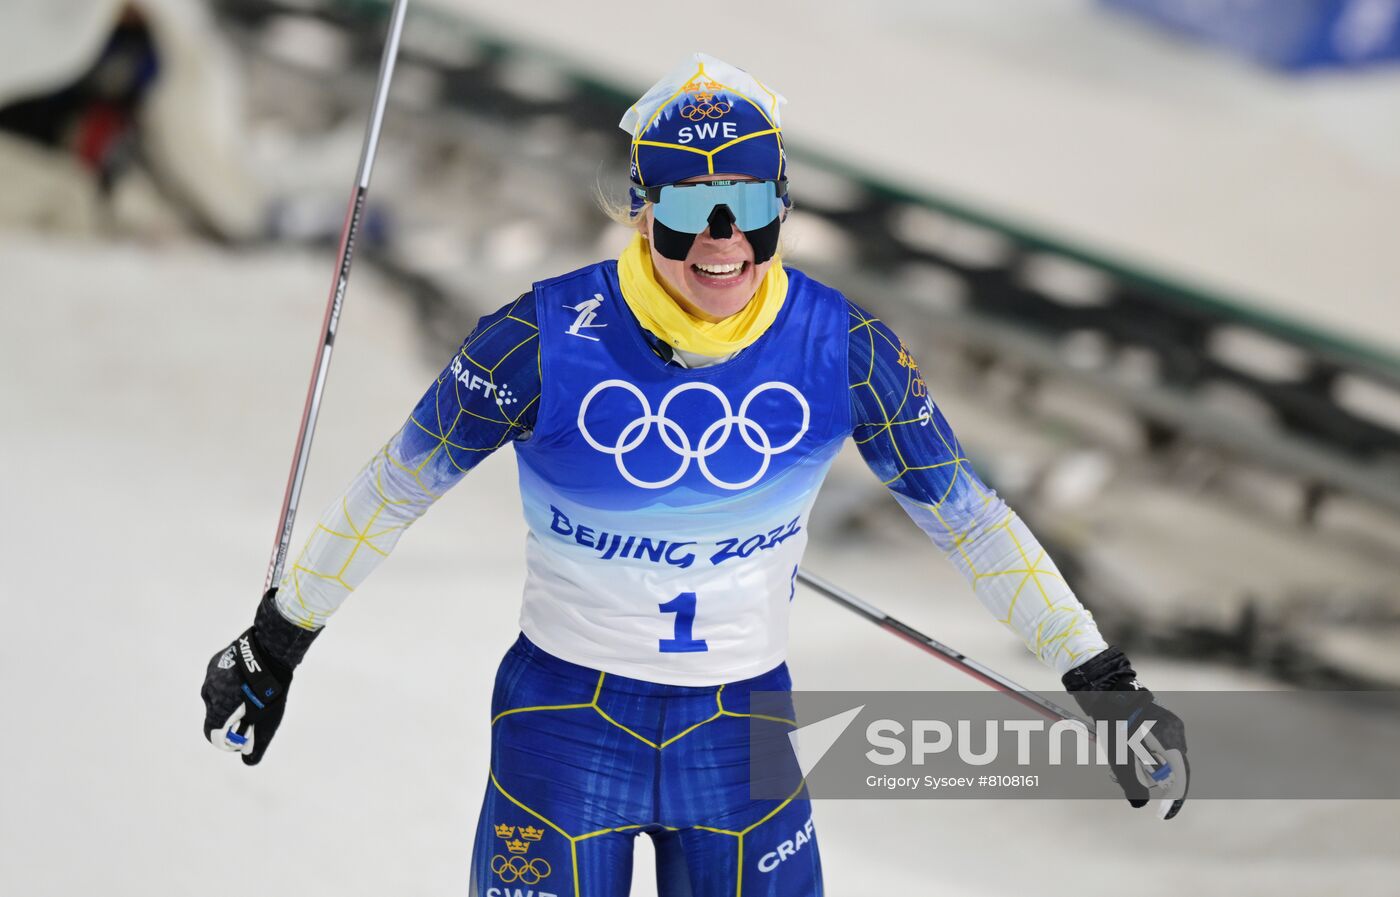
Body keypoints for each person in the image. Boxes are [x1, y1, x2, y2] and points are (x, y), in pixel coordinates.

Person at [201, 53, 1188, 896]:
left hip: (737, 731)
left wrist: (1099, 679)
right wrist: (278, 641)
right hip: (565, 726)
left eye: (748, 207)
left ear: (781, 206)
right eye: (687, 209)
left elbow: (967, 519)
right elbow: (395, 488)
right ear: (640, 212)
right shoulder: (538, 339)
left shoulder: (839, 346)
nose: (721, 242)